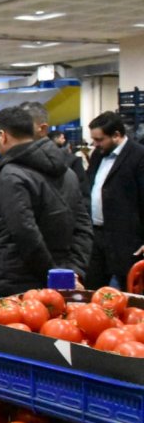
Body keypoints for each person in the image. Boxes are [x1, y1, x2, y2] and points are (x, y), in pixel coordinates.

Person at [0, 106, 93, 296]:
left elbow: (25, 233)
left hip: (20, 283)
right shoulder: (68, 172)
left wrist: (54, 276)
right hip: (66, 275)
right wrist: (73, 272)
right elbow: (84, 226)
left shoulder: (11, 174)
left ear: (2, 136)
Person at [83, 111, 144, 289]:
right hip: (96, 237)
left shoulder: (139, 156)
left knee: (129, 294)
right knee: (93, 290)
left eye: (99, 139)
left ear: (116, 135)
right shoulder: (97, 155)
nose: (95, 144)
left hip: (127, 239)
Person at [19, 101, 86, 185]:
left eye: (23, 126)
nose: (16, 132)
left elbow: (82, 196)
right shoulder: (14, 161)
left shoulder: (71, 163)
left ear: (43, 129)